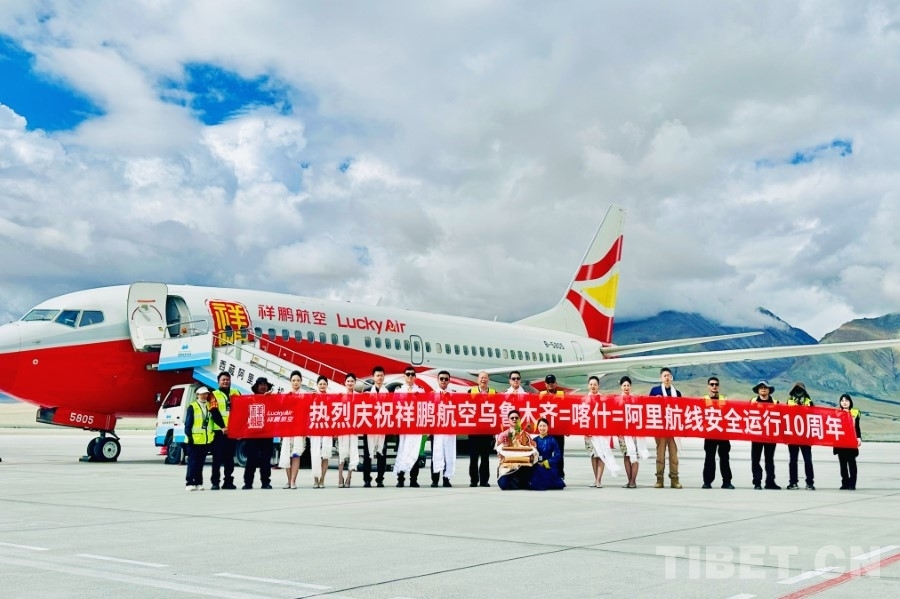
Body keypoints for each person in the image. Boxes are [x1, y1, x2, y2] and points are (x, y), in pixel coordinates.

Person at [583, 375, 620, 487]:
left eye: (595, 384)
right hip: (589, 433)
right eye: (591, 384)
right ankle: (595, 479)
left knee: (601, 455)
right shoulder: (584, 399)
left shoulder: (603, 399)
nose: (593, 386)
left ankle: (599, 480)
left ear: (598, 386)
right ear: (588, 386)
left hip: (601, 432)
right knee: (593, 455)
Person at [649, 367, 682, 489]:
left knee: (673, 456)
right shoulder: (655, 391)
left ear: (671, 377)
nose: (667, 377)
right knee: (660, 455)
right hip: (660, 428)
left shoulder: (677, 393)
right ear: (661, 378)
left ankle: (674, 479)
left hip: (673, 428)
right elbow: (648, 406)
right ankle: (659, 479)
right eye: (665, 375)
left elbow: (681, 409)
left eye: (668, 375)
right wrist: (655, 401)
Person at [183, 387, 219, 490]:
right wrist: (189, 437)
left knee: (200, 463)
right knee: (192, 462)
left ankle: (198, 483)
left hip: (206, 440)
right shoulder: (192, 407)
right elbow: (188, 424)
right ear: (197, 395)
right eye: (202, 394)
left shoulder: (209, 406)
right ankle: (189, 483)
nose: (204, 396)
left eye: (206, 394)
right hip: (194, 440)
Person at [393, 367, 424, 488]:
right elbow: (394, 407)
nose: (410, 376)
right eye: (408, 374)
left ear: (415, 376)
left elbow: (424, 407)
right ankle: (400, 479)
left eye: (412, 374)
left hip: (415, 426)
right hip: (403, 426)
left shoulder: (420, 390)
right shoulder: (399, 390)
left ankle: (413, 479)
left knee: (414, 452)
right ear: (404, 376)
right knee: (402, 451)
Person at [702, 377, 734, 489]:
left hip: (723, 434)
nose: (714, 386)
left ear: (718, 386)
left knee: (724, 458)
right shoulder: (703, 400)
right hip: (710, 433)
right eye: (712, 384)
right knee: (709, 458)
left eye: (716, 384)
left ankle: (727, 482)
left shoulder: (724, 400)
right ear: (708, 386)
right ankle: (707, 482)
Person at [242, 377, 274, 489]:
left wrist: (271, 398)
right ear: (256, 387)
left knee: (266, 460)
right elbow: (243, 415)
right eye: (260, 384)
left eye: (265, 384)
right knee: (251, 459)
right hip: (252, 435)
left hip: (267, 434)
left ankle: (265, 482)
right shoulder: (250, 399)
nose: (263, 386)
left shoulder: (272, 399)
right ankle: (248, 483)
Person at [210, 371, 240, 490]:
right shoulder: (213, 395)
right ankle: (215, 482)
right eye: (223, 380)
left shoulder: (236, 392)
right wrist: (223, 427)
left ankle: (228, 482)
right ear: (218, 382)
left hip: (232, 432)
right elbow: (214, 411)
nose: (225, 381)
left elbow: (241, 410)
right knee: (217, 458)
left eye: (227, 379)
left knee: (229, 458)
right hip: (219, 431)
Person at [617, 375, 649, 489]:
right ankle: (629, 480)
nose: (626, 387)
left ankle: (633, 481)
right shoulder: (617, 400)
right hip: (622, 433)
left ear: (630, 386)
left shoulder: (635, 400)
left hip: (634, 433)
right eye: (624, 385)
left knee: (634, 456)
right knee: (626, 456)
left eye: (628, 385)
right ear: (621, 387)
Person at [494, 409, 537, 490]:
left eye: (516, 418)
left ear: (519, 420)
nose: (514, 419)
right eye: (512, 418)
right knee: (504, 485)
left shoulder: (525, 434)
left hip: (522, 466)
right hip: (508, 467)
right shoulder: (503, 435)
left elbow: (533, 447)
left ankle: (518, 481)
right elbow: (499, 450)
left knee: (529, 483)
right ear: (508, 420)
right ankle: (515, 481)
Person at [277, 370, 306, 489]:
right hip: (287, 429)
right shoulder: (285, 395)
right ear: (290, 381)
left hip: (299, 429)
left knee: (296, 455)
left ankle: (293, 481)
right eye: (293, 380)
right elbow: (280, 412)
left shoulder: (304, 396)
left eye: (298, 380)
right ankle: (288, 481)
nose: (296, 382)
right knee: (286, 455)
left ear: (301, 381)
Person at [750, 380, 780, 490]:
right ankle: (757, 482)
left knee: (769, 460)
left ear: (769, 390)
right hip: (756, 435)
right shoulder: (752, 402)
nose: (763, 389)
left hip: (770, 436)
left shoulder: (775, 402)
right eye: (761, 387)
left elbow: (781, 418)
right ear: (758, 390)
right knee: (755, 459)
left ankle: (770, 482)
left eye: (765, 387)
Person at [786, 382, 816, 490]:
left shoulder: (809, 402)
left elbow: (813, 419)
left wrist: (812, 437)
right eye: (797, 389)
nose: (798, 391)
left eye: (800, 389)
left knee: (807, 460)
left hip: (806, 436)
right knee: (793, 460)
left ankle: (810, 483)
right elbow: (785, 418)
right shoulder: (789, 401)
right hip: (792, 436)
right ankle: (793, 482)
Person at [362, 365, 389, 488]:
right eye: (377, 375)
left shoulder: (387, 392)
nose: (380, 378)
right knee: (367, 455)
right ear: (373, 377)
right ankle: (367, 479)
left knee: (381, 455)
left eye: (381, 375)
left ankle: (380, 479)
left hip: (382, 427)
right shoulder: (367, 391)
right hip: (369, 426)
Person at [468, 371, 495, 487]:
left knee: (485, 457)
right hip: (474, 430)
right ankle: (474, 480)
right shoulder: (471, 391)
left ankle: (484, 481)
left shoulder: (493, 393)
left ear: (488, 380)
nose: (483, 380)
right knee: (473, 457)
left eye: (485, 378)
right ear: (478, 379)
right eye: (481, 378)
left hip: (487, 431)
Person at [430, 370, 456, 487]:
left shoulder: (454, 395)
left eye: (446, 379)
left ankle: (446, 479)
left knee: (448, 454)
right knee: (436, 454)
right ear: (437, 380)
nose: (443, 381)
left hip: (449, 429)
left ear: (449, 381)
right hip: (436, 430)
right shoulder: (432, 394)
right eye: (441, 379)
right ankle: (435, 480)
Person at [539, 374, 566, 478]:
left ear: (556, 383)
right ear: (545, 384)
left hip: (559, 430)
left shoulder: (562, 394)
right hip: (546, 430)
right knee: (546, 452)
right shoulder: (541, 395)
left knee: (559, 453)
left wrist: (567, 428)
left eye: (552, 383)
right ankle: (547, 473)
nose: (551, 385)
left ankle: (560, 474)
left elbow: (567, 411)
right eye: (548, 383)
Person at [336, 373, 360, 488]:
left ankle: (349, 477)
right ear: (345, 383)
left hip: (354, 428)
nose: (350, 383)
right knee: (342, 452)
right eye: (348, 381)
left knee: (352, 452)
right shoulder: (340, 395)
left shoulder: (359, 396)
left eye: (352, 381)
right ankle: (340, 476)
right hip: (343, 427)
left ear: (355, 383)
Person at [309, 375, 334, 488]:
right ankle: (315, 479)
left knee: (325, 455)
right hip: (315, 428)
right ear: (317, 385)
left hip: (327, 428)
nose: (322, 386)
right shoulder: (312, 396)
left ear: (327, 385)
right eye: (320, 384)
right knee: (315, 455)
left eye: (324, 384)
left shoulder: (331, 397)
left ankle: (322, 479)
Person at [834, 394, 862, 490]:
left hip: (851, 441)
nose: (844, 403)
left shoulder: (855, 412)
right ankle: (845, 483)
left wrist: (859, 437)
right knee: (843, 464)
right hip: (840, 442)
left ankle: (852, 483)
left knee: (852, 463)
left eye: (846, 400)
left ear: (850, 402)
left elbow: (857, 427)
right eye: (842, 401)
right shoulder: (837, 413)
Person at [530, 418, 566, 491]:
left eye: (544, 426)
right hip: (537, 465)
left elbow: (558, 455)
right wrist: (536, 461)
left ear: (547, 427)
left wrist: (547, 462)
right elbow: (531, 454)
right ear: (537, 427)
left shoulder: (552, 439)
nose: (542, 428)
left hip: (549, 465)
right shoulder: (534, 440)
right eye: (540, 426)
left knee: (558, 484)